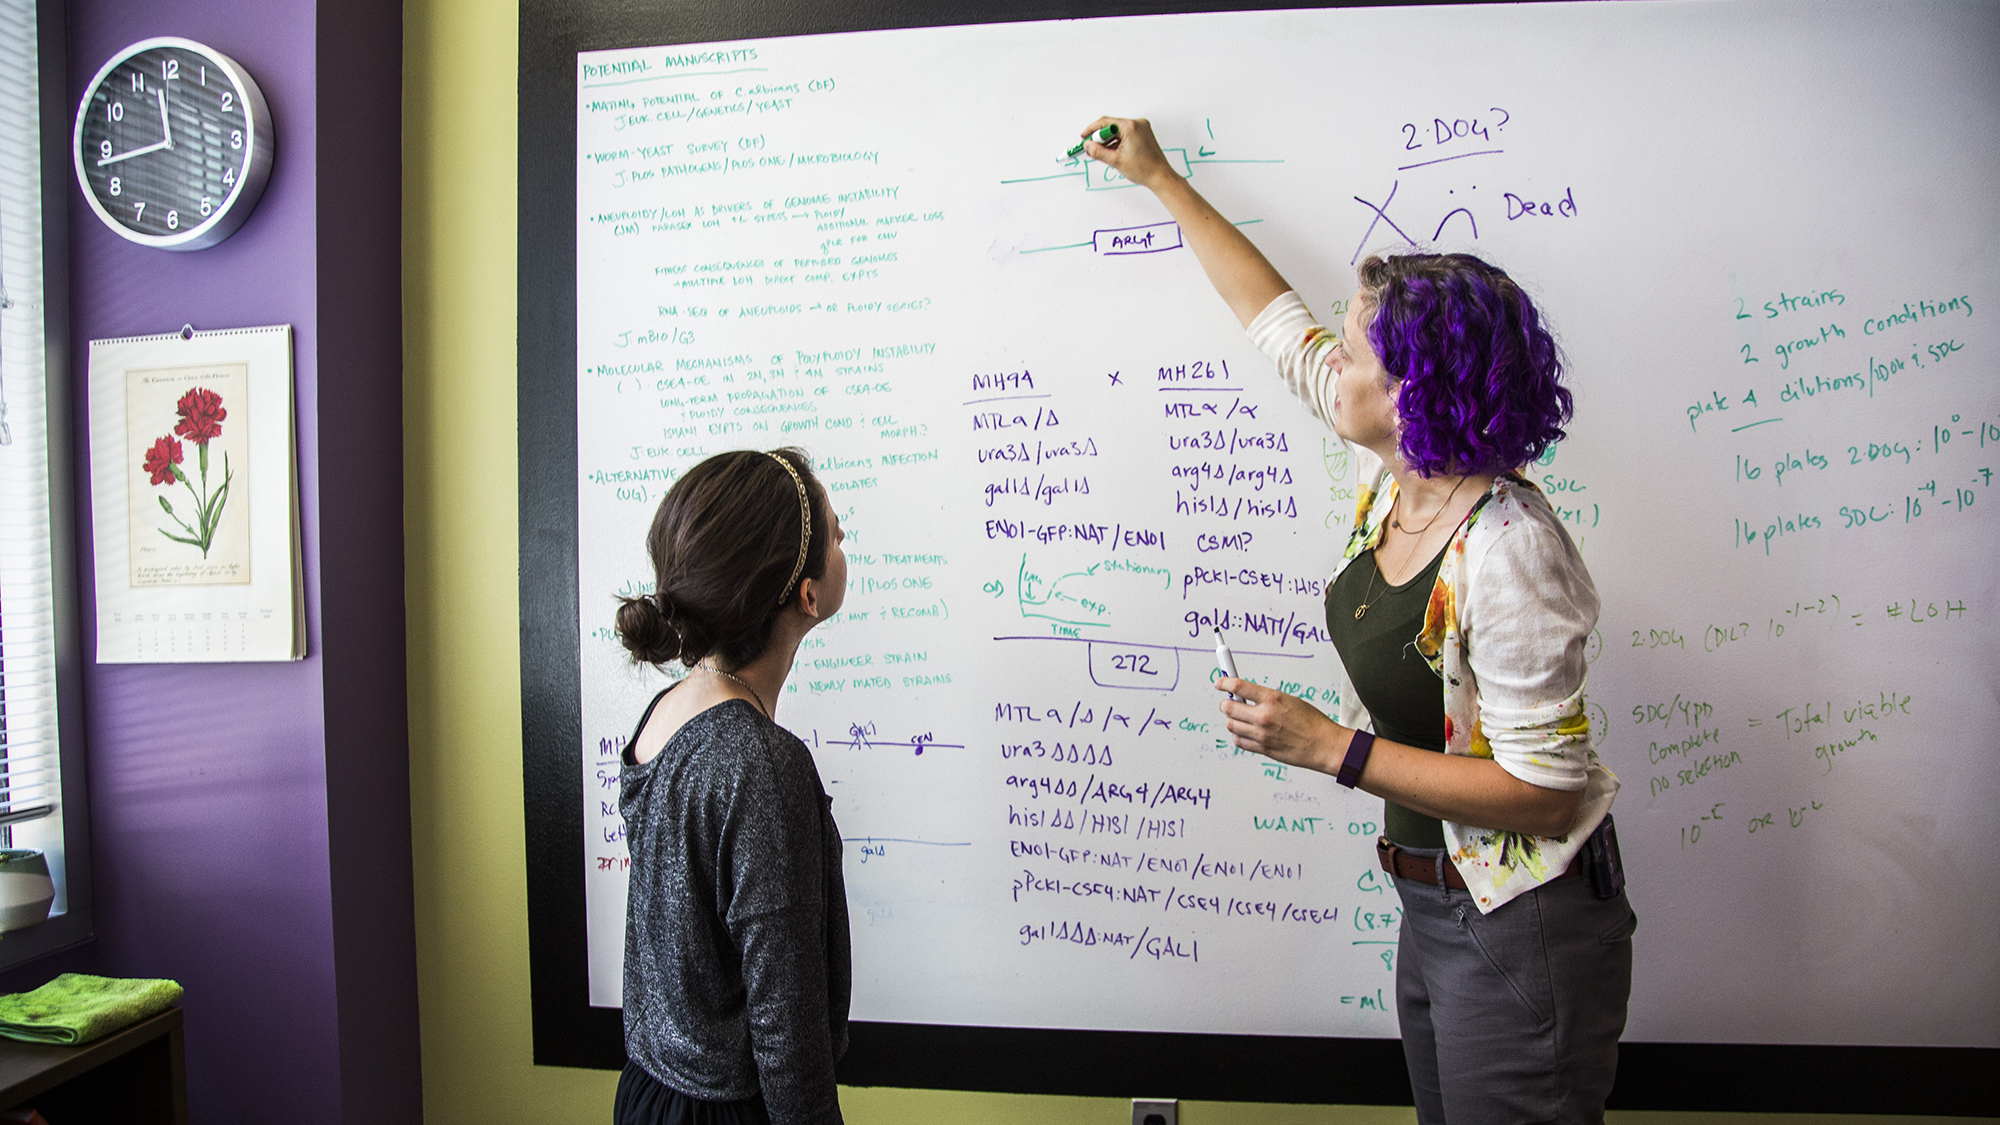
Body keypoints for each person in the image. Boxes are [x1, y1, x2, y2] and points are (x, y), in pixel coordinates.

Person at [1082, 117, 1635, 1124]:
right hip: (1432, 905)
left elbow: (1547, 797)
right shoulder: (1394, 480)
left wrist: (1332, 750)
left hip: (1520, 924)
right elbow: (1267, 314)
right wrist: (1160, 178)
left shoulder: (1506, 548)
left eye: (1349, 351)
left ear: (1414, 387)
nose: (1326, 364)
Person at [611, 447, 851, 1125]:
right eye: (834, 530)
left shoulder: (668, 711)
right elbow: (789, 1036)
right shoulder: (763, 765)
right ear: (807, 594)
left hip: (650, 1096)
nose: (842, 536)